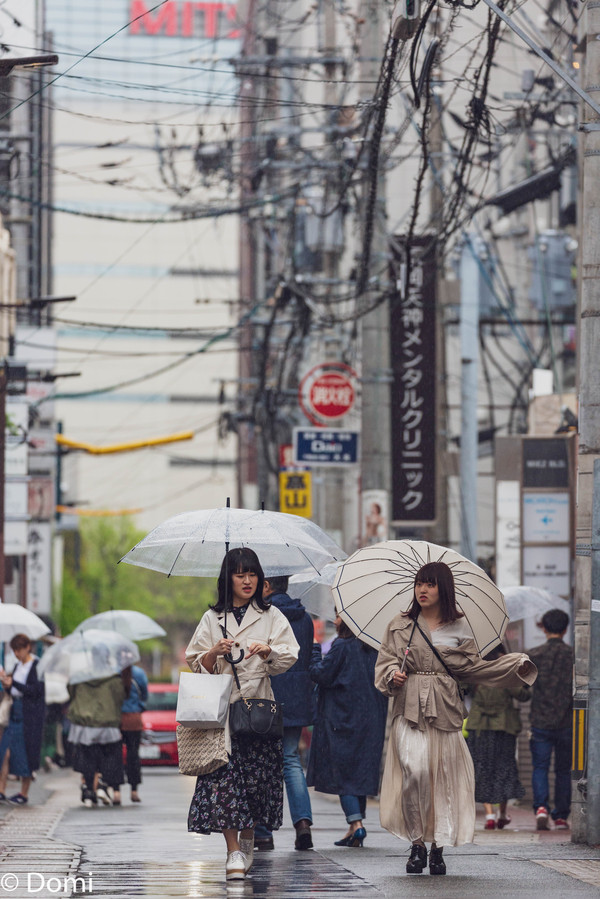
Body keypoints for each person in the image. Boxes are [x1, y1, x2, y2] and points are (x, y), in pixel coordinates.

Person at [374, 561, 536, 876]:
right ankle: (417, 842)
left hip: (446, 711)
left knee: (441, 780)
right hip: (408, 709)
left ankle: (436, 848)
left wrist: (512, 665)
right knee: (415, 772)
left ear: (443, 588)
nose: (422, 589)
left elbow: (473, 669)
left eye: (430, 584)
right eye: (419, 583)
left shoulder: (461, 627)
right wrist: (392, 677)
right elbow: (384, 663)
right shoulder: (399, 624)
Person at [185, 547, 299, 882]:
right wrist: (213, 652)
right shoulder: (212, 619)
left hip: (257, 710)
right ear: (228, 579)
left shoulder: (271, 615)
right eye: (240, 574)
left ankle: (247, 838)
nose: (247, 580)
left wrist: (268, 651)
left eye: (252, 574)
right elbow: (195, 661)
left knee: (254, 785)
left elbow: (290, 655)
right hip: (221, 715)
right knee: (224, 783)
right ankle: (232, 849)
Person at [307, 615, 388, 848]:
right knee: (359, 771)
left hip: (342, 718)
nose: (336, 618)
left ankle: (357, 824)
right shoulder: (377, 648)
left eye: (339, 614)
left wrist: (314, 650)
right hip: (371, 718)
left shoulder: (342, 646)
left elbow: (320, 674)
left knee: (342, 772)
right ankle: (353, 828)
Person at [254, 575, 315, 851]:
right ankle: (302, 824)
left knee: (265, 763)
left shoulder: (263, 616)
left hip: (268, 695)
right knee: (290, 760)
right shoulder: (305, 618)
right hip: (297, 697)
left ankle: (264, 831)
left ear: (267, 586)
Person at [465, 644, 531, 830]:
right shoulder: (507, 671)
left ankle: (489, 815)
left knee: (482, 767)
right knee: (504, 767)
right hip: (504, 727)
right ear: (501, 653)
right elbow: (523, 695)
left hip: (479, 727)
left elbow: (464, 689)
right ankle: (502, 813)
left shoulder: (476, 671)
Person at [526, 608, 573, 831]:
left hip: (540, 720)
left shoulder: (533, 654)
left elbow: (524, 687)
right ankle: (561, 815)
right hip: (567, 721)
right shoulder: (574, 656)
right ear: (565, 629)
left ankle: (541, 808)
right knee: (563, 770)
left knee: (540, 767)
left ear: (544, 628)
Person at [66, 644, 126, 808]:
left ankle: (89, 789)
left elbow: (71, 692)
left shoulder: (80, 676)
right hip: (107, 722)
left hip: (85, 724)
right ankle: (104, 784)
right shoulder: (113, 678)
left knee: (87, 757)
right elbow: (119, 698)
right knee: (108, 756)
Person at [0, 633, 45, 805]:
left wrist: (15, 684)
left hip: (30, 716)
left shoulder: (36, 666)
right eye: (14, 650)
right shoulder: (18, 666)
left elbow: (35, 690)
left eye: (19, 649)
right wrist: (7, 684)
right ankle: (2, 789)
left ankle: (24, 793)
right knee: (5, 751)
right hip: (16, 711)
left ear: (28, 647)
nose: (17, 654)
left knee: (26, 753)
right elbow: (16, 691)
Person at [117, 663, 149, 804]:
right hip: (134, 719)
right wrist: (138, 706)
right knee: (133, 755)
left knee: (115, 755)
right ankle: (134, 791)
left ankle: (116, 791)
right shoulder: (139, 673)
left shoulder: (113, 672)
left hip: (116, 718)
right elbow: (145, 695)